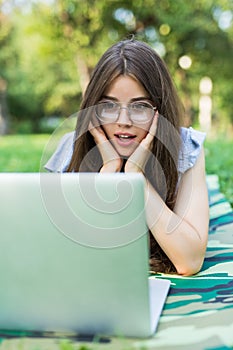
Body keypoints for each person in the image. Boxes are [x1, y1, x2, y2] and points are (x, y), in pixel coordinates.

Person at [45, 38, 209, 276]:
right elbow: (72, 257)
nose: (123, 121)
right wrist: (107, 176)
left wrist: (137, 179)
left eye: (140, 106)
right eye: (109, 106)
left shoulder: (186, 147)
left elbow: (189, 261)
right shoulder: (70, 148)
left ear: (160, 111)